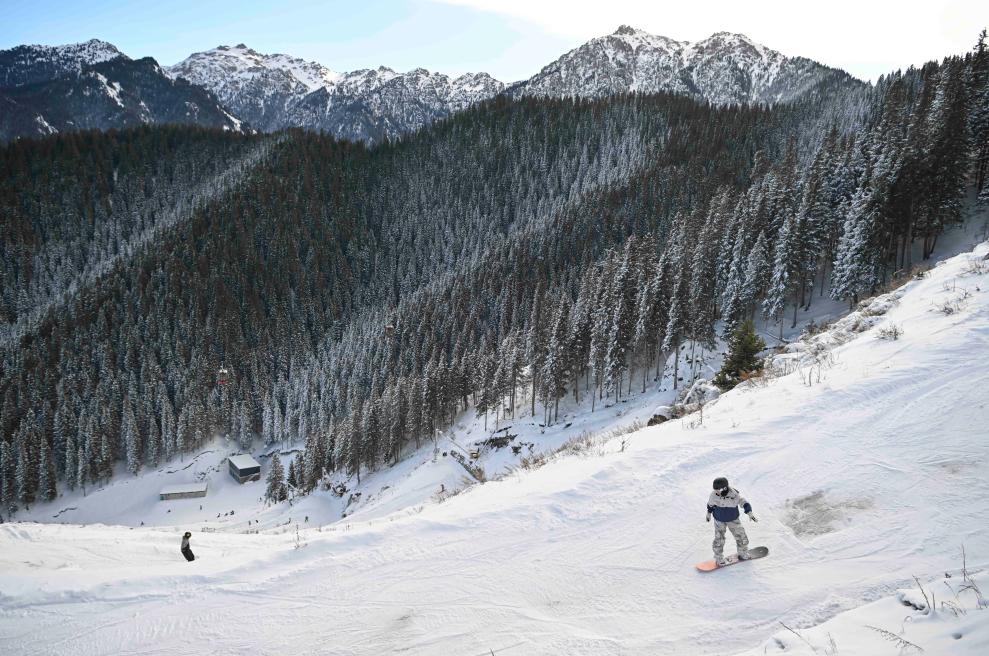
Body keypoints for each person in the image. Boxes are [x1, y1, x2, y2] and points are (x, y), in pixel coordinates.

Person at [706, 477, 757, 566]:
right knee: (719, 539)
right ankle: (719, 558)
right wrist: (708, 513)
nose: (716, 491)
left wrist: (749, 512)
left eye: (718, 490)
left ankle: (743, 553)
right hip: (719, 520)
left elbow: (743, 502)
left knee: (741, 536)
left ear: (724, 488)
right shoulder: (713, 495)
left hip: (733, 519)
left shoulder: (734, 495)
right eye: (715, 490)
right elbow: (710, 505)